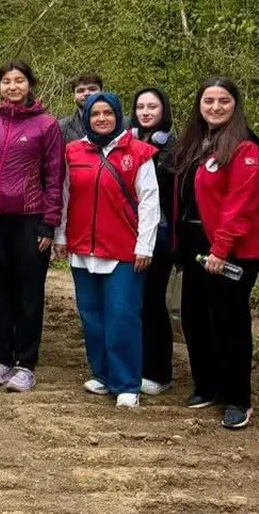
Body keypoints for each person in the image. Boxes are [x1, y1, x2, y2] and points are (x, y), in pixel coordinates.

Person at [53, 92, 159, 409]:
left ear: (118, 115)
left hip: (123, 248)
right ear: (86, 117)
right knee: (91, 316)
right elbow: (65, 196)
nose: (101, 118)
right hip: (83, 246)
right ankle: (102, 374)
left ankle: (127, 382)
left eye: (107, 113)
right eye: (95, 113)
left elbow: (150, 202)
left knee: (122, 316)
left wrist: (145, 245)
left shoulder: (138, 152)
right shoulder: (73, 151)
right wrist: (60, 235)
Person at [0, 60, 64, 393]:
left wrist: (50, 222)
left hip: (29, 219)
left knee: (28, 292)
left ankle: (25, 363)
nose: (12, 87)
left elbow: (54, 176)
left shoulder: (46, 125)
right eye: (6, 81)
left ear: (29, 84)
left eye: (19, 81)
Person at [173, 78, 259, 429]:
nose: (215, 107)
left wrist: (221, 249)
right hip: (194, 242)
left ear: (235, 105)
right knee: (195, 317)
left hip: (232, 248)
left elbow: (242, 204)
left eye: (223, 101)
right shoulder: (195, 142)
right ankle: (208, 385)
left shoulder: (246, 147)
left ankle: (238, 398)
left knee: (229, 322)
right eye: (208, 100)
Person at [130, 87, 176, 396]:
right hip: (128, 232)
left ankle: (159, 371)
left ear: (164, 110)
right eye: (141, 107)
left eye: (153, 107)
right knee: (134, 303)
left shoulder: (174, 147)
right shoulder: (128, 143)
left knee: (153, 303)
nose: (146, 112)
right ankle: (137, 363)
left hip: (159, 234)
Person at [59, 73, 104, 143]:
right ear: (74, 97)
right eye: (80, 91)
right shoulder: (61, 128)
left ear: (102, 93)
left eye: (92, 89)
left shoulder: (124, 125)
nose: (87, 93)